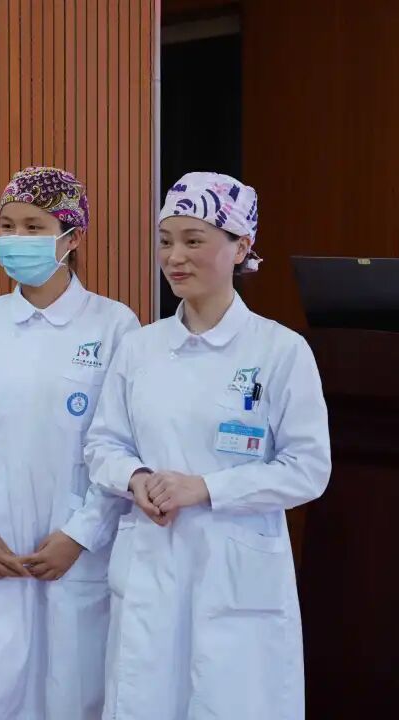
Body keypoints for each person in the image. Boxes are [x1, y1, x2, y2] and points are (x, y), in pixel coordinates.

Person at [85, 172, 331, 719]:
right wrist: (135, 478)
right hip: (151, 564)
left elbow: (308, 468)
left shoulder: (280, 350)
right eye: (166, 240)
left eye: (193, 240)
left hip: (236, 573)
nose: (175, 257)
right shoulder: (140, 349)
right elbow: (103, 443)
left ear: (241, 246)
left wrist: (205, 489)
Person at [0, 167, 139, 720]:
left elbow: (122, 445)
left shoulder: (114, 326)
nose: (16, 239)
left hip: (77, 548)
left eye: (34, 227)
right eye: (8, 226)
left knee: (74, 692)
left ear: (71, 238)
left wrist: (80, 534)